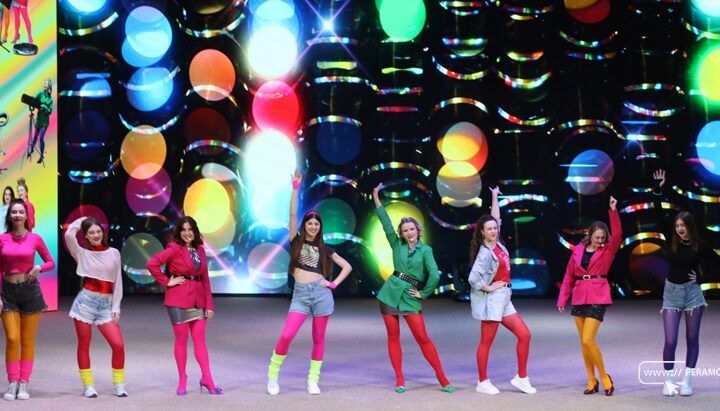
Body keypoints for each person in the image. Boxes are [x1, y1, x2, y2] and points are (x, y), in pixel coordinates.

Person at [267, 172, 352, 396]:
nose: (313, 226)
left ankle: (313, 379)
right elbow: (292, 213)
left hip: (321, 295)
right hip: (301, 295)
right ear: (304, 225)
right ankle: (273, 375)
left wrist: (333, 284)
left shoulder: (325, 249)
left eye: (316, 224)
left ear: (320, 227)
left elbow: (347, 266)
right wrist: (295, 188)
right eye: (310, 223)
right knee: (287, 335)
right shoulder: (296, 241)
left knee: (318, 338)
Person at [372, 183, 452, 394]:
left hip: (410, 296)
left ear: (418, 230)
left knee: (422, 338)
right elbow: (385, 222)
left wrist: (423, 293)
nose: (409, 233)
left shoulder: (426, 250)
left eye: (412, 229)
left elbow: (434, 275)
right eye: (405, 230)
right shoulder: (396, 244)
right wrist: (376, 197)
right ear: (401, 233)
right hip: (390, 294)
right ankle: (399, 378)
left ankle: (441, 376)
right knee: (393, 337)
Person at [652, 169, 718, 396]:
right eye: (677, 225)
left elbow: (716, 263)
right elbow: (659, 214)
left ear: (690, 226)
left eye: (683, 225)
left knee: (692, 338)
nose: (679, 229)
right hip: (671, 294)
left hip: (692, 296)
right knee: (670, 340)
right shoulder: (671, 241)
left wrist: (702, 278)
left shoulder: (700, 245)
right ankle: (669, 381)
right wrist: (658, 191)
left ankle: (687, 381)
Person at [468, 186, 536, 395]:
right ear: (482, 232)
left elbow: (496, 218)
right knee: (486, 342)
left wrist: (494, 196)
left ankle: (521, 378)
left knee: (524, 335)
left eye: (494, 228)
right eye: (489, 229)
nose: (494, 230)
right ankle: (482, 381)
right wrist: (488, 287)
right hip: (493, 299)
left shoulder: (497, 243)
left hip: (505, 298)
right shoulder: (485, 252)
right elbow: (473, 278)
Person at [146, 217, 222, 395]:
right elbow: (152, 263)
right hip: (178, 300)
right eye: (184, 230)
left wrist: (209, 305)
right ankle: (182, 378)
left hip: (198, 300)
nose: (187, 233)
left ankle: (207, 378)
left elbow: (205, 279)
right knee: (181, 340)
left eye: (190, 229)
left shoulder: (200, 249)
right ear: (179, 232)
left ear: (195, 231)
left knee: (200, 340)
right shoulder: (174, 248)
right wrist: (167, 281)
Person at [557, 195, 621, 396]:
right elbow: (568, 275)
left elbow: (618, 234)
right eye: (597, 237)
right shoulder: (578, 250)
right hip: (579, 296)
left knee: (587, 340)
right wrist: (562, 298)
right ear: (590, 235)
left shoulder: (608, 251)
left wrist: (613, 211)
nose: (600, 240)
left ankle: (604, 377)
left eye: (603, 238)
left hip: (597, 296)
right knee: (583, 343)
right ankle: (591, 380)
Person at [65, 216, 127, 398]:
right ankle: (88, 385)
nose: (96, 235)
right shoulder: (82, 253)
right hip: (85, 303)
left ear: (103, 232)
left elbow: (118, 281)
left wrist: (116, 307)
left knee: (118, 345)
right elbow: (69, 235)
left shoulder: (114, 253)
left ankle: (119, 384)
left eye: (98, 231)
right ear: (86, 235)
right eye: (91, 232)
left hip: (106, 305)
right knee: (84, 344)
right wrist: (82, 220)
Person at [1, 199, 54, 401]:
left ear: (26, 215)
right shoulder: (2, 239)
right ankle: (12, 381)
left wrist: (39, 267)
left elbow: (50, 262)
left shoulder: (35, 238)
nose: (17, 215)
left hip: (30, 292)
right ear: (9, 216)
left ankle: (24, 382)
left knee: (27, 339)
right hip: (7, 293)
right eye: (13, 212)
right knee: (12, 338)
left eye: (20, 212)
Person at [28, 78, 52, 164]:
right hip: (39, 119)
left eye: (46, 84)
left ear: (49, 86)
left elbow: (50, 111)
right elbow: (34, 100)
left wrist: (45, 107)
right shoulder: (40, 93)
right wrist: (32, 107)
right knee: (35, 136)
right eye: (44, 83)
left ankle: (41, 155)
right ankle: (31, 150)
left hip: (45, 121)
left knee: (41, 138)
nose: (44, 85)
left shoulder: (50, 98)